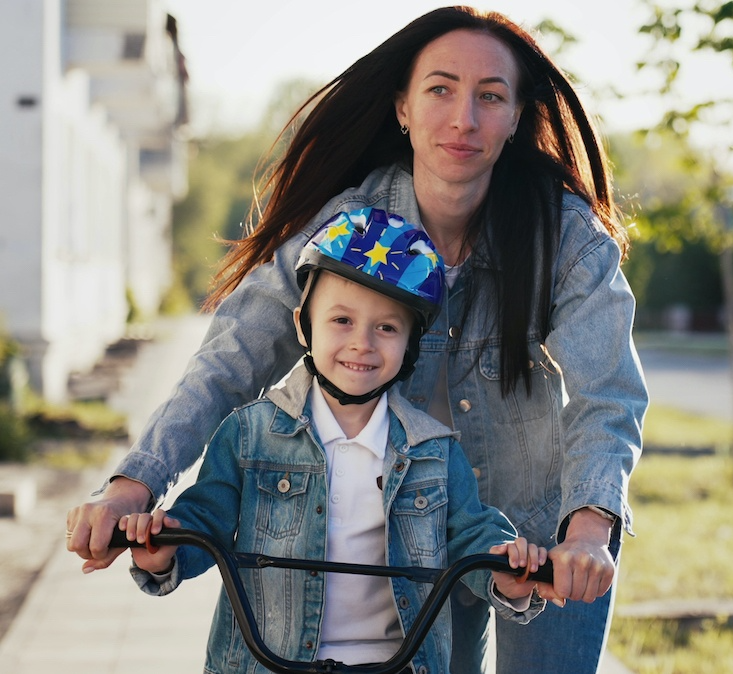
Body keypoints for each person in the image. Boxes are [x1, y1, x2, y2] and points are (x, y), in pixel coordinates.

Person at [68, 6, 648, 673]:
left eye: (490, 96)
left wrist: (588, 530)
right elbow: (231, 359)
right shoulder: (348, 229)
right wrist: (133, 484)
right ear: (402, 107)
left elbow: (608, 392)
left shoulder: (564, 234)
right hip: (420, 526)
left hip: (550, 530)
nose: (463, 118)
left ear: (515, 118)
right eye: (440, 89)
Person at [117, 208, 552, 674]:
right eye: (341, 320)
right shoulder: (249, 435)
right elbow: (205, 520)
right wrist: (164, 553)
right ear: (304, 325)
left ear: (410, 345)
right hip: (271, 663)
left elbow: (472, 531)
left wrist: (508, 570)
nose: (362, 342)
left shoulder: (434, 451)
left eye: (386, 327)